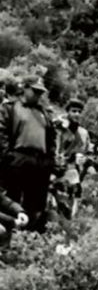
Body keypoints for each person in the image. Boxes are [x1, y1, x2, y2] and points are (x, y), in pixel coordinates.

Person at [1, 76, 56, 232]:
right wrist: (7, 155)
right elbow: (2, 132)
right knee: (12, 197)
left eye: (40, 92)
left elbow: (51, 139)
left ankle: (29, 234)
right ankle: (9, 229)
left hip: (40, 162)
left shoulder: (45, 114)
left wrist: (50, 161)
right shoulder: (11, 108)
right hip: (18, 158)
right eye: (35, 91)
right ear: (25, 88)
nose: (38, 95)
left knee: (35, 202)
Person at [52, 97, 92, 219]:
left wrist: (85, 159)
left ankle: (67, 219)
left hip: (71, 169)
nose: (77, 114)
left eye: (79, 112)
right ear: (68, 111)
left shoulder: (83, 133)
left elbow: (87, 151)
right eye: (74, 111)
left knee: (74, 193)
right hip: (54, 166)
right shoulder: (59, 127)